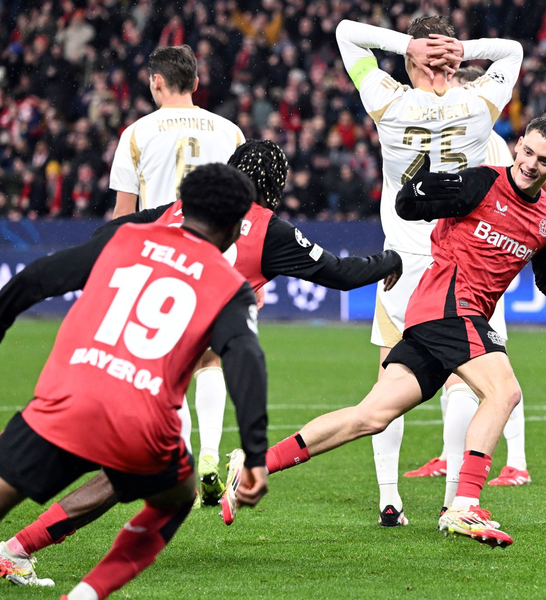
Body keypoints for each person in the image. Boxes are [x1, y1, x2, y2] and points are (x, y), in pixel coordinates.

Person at [0, 140, 402, 587]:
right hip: (145, 395)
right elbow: (332, 283)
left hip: (78, 376)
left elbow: (55, 266)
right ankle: (66, 577)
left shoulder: (159, 219)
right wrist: (389, 260)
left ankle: (15, 549)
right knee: (168, 489)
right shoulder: (257, 244)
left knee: (36, 477)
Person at [249, 115, 546, 547]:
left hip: (444, 316)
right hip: (449, 303)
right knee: (504, 392)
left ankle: (255, 464)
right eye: (527, 151)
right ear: (518, 145)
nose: (531, 164)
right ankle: (464, 507)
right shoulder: (480, 184)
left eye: (544, 161)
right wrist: (414, 190)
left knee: (370, 416)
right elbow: (410, 208)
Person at [0, 164, 268, 597]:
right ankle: (86, 593)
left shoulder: (123, 238)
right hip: (141, 427)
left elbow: (35, 279)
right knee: (178, 497)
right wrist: (255, 454)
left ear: (182, 206)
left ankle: (21, 550)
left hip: (62, 404)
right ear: (239, 227)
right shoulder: (230, 286)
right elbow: (246, 361)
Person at [335, 15, 524, 527]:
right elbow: (511, 50)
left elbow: (346, 32)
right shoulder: (478, 105)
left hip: (401, 261)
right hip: (459, 264)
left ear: (408, 60)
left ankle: (389, 500)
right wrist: (463, 48)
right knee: (469, 383)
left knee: (385, 382)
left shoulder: (388, 103)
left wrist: (407, 45)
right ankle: (454, 501)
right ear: (455, 60)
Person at [109, 44, 247, 505]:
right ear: (196, 83)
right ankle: (210, 455)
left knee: (167, 371)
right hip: (217, 263)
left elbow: (123, 215)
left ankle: (185, 466)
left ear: (156, 83)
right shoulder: (230, 132)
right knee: (211, 360)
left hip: (160, 263)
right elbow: (246, 211)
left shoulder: (136, 133)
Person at [404, 66, 530, 495]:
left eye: (453, 89)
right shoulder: (466, 137)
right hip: (456, 264)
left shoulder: (485, 142)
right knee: (480, 374)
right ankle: (457, 457)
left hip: (477, 269)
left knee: (482, 377)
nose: (444, 99)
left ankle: (502, 465)